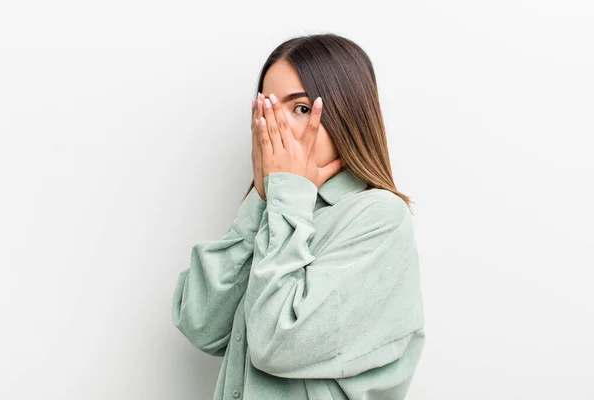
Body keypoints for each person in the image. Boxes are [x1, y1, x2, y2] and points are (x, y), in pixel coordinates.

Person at [172, 33, 425, 400]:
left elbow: (277, 344)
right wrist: (261, 199)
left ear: (346, 114)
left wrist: (286, 195)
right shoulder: (277, 211)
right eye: (268, 110)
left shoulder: (379, 218)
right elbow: (200, 325)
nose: (278, 128)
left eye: (301, 108)